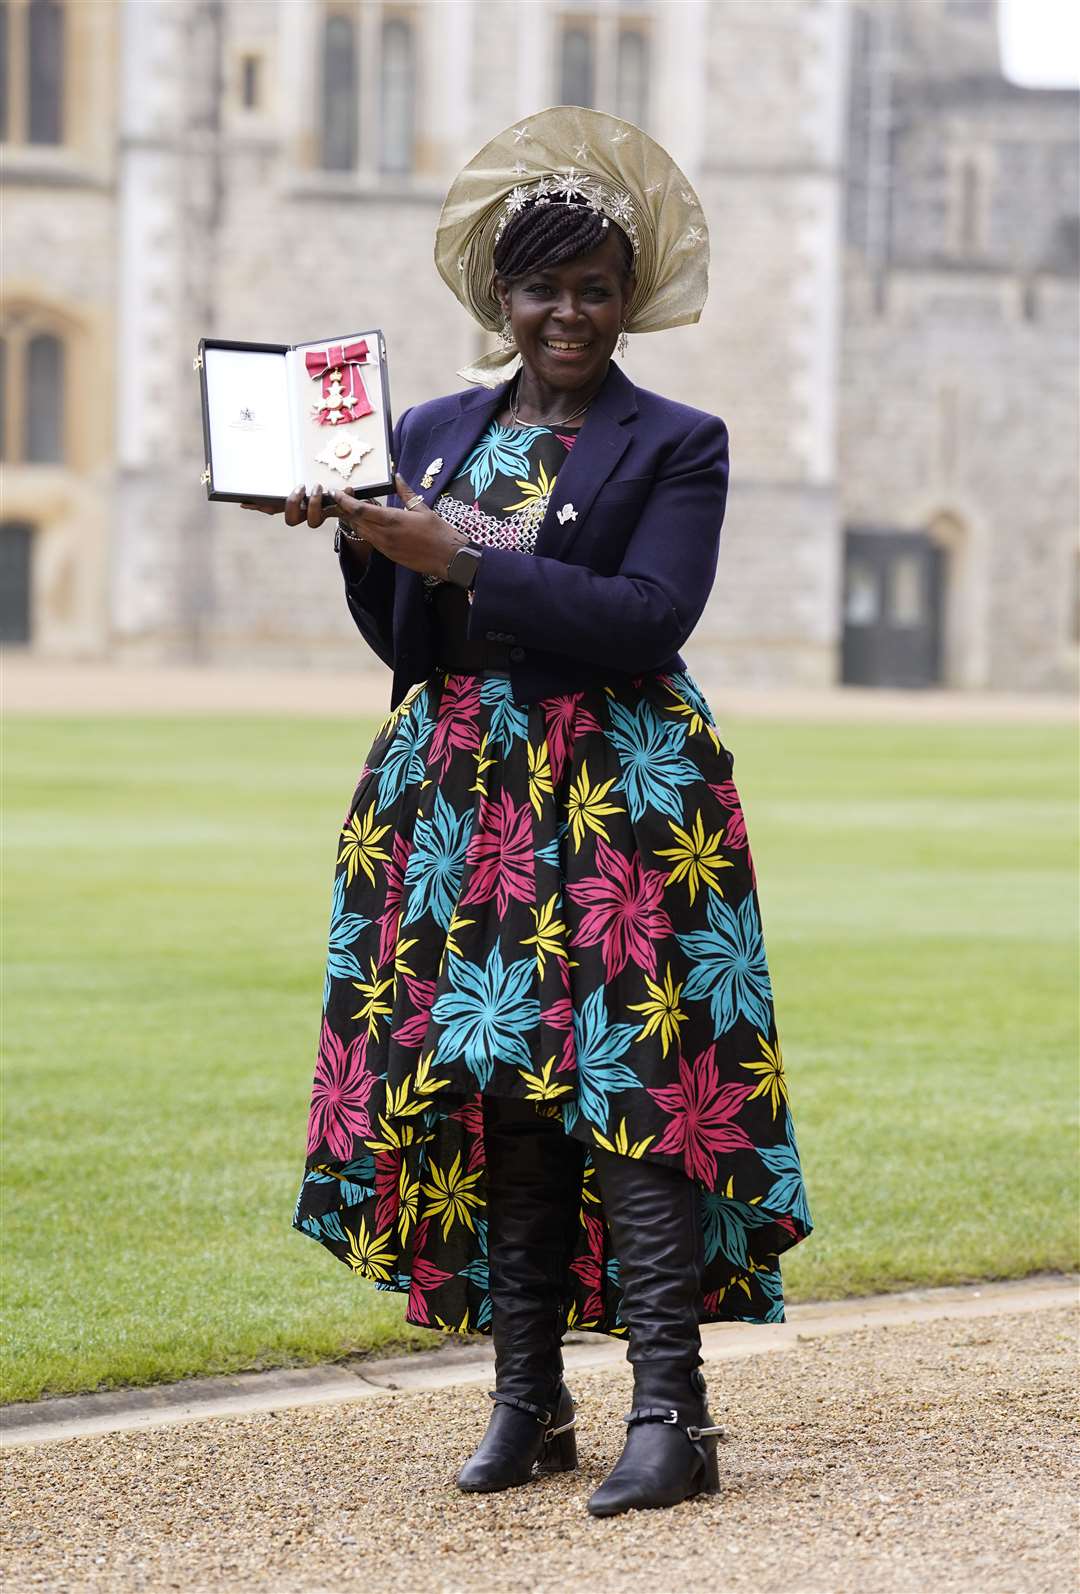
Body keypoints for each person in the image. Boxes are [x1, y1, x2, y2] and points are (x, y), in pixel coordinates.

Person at [271, 107, 813, 1517]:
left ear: (629, 298)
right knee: (506, 1082)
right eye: (541, 288)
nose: (566, 313)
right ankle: (531, 1398)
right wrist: (357, 534)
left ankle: (670, 1414)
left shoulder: (678, 441)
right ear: (497, 297)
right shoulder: (436, 428)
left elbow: (648, 617)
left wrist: (457, 549)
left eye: (592, 287)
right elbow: (408, 631)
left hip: (625, 796)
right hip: (459, 798)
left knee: (632, 1081)